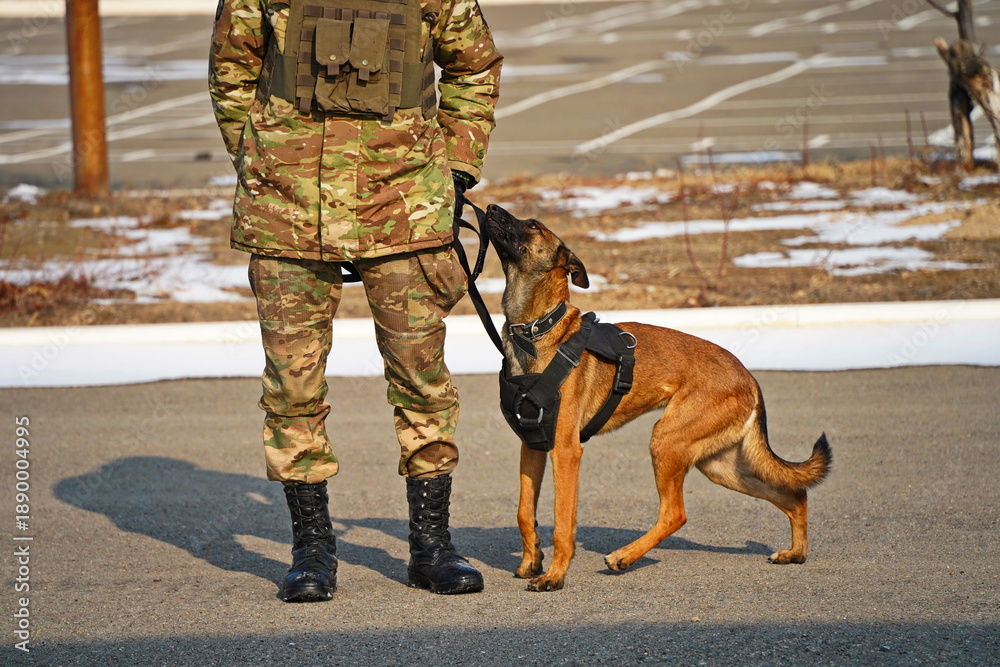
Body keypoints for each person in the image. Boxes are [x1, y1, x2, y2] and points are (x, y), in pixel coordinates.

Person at [209, 0, 502, 602]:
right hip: (288, 209)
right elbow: (231, 69)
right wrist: (260, 155)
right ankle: (311, 551)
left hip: (403, 204)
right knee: (293, 387)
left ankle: (432, 546)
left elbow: (475, 69)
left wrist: (453, 170)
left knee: (422, 380)